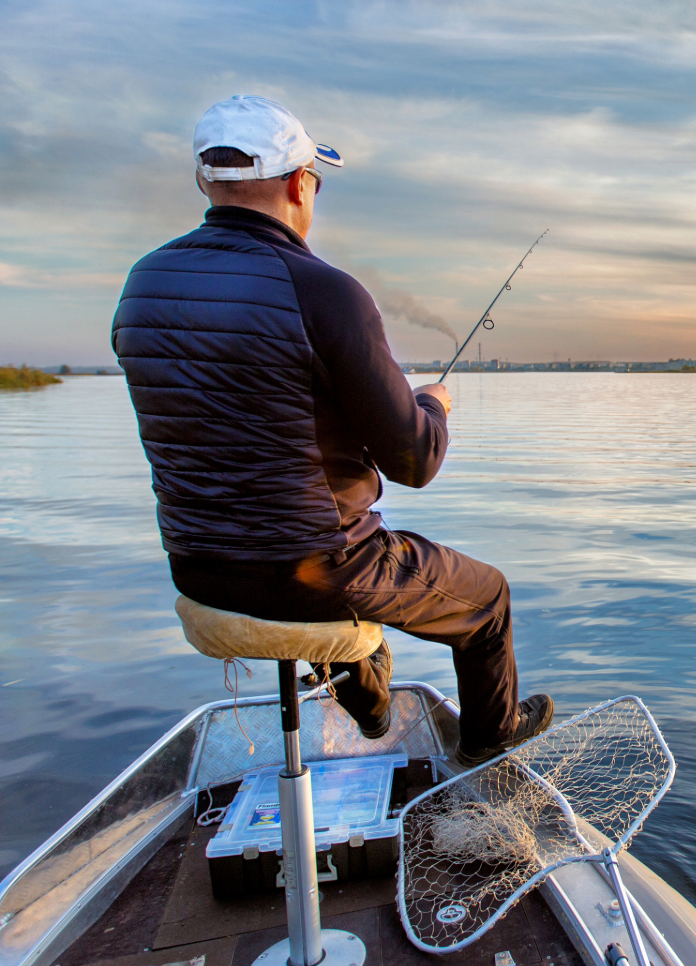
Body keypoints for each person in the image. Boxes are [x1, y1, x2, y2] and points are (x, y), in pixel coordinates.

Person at [111, 95, 552, 765]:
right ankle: (489, 745)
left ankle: (369, 697)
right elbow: (415, 461)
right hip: (317, 570)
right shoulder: (324, 291)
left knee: (352, 579)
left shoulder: (142, 284)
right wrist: (433, 406)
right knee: (486, 598)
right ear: (299, 183)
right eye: (315, 179)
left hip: (198, 570)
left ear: (206, 181)